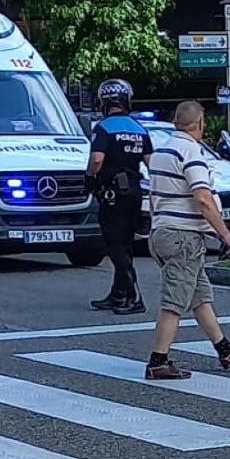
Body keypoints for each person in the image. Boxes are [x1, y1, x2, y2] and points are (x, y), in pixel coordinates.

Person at [144, 101, 230, 380]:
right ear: (200, 124)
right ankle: (158, 361)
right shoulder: (190, 151)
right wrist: (225, 235)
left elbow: (154, 198)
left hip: (161, 232)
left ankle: (225, 349)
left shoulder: (161, 152)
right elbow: (203, 198)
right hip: (183, 236)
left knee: (199, 296)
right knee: (174, 302)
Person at [87, 79, 152, 315]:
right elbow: (150, 162)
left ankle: (134, 296)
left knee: (114, 245)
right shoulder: (139, 128)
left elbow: (96, 160)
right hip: (134, 192)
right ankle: (118, 293)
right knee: (126, 244)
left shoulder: (103, 128)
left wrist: (90, 178)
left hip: (112, 193)